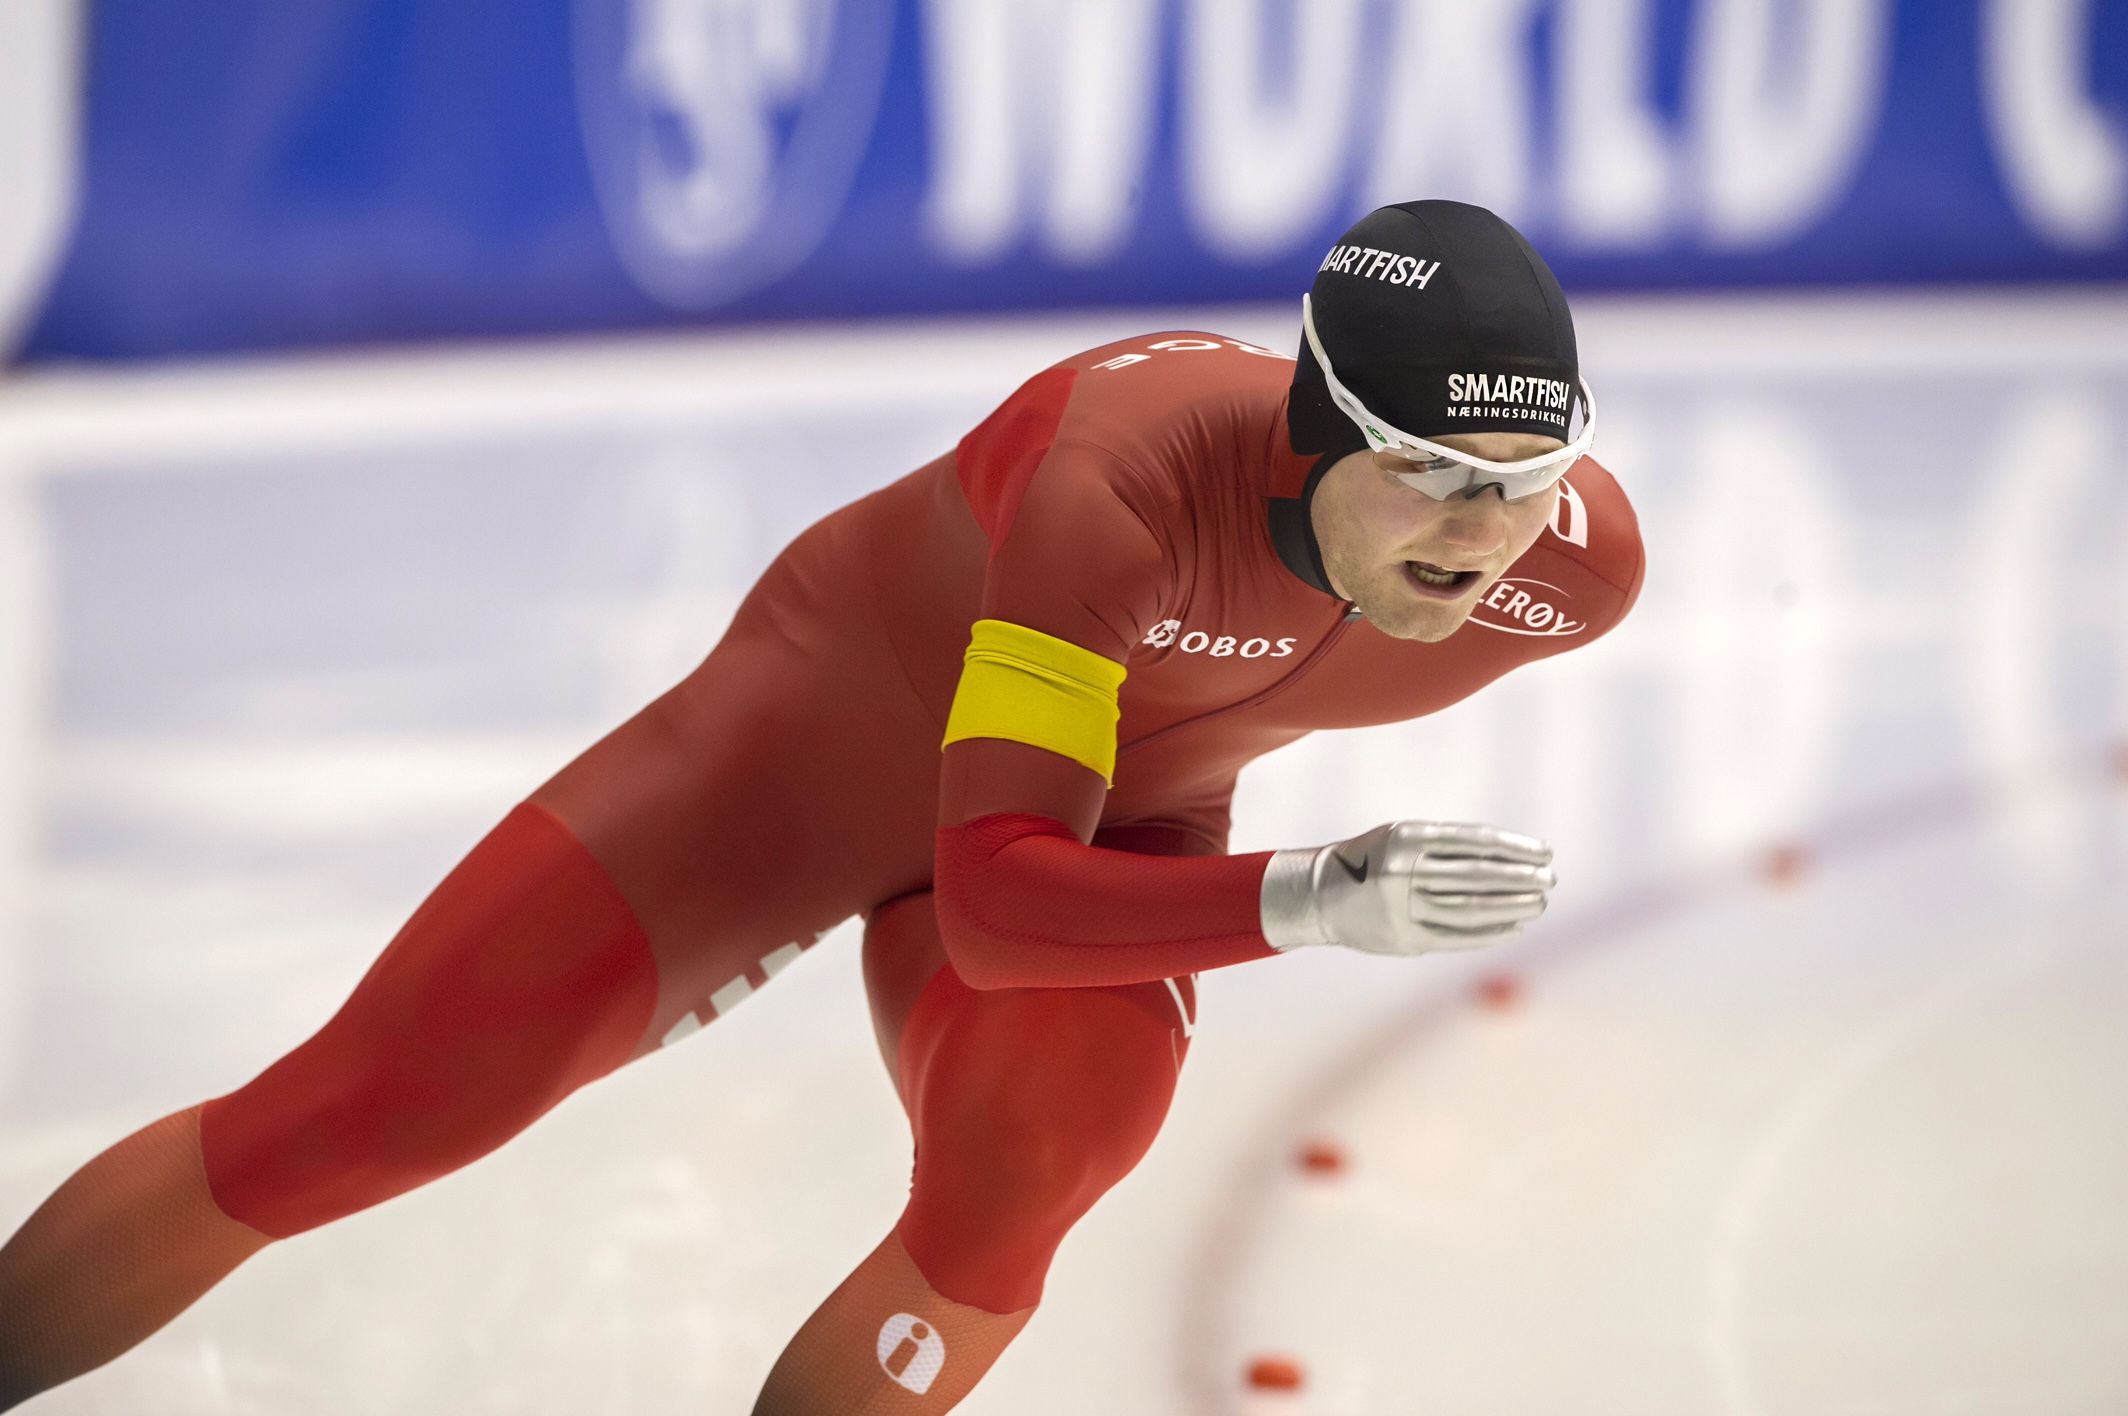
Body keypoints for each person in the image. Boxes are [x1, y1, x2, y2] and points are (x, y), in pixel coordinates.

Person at [0, 199, 1643, 1413]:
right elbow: (996, 903)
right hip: (796, 774)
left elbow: (1038, 885)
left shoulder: (1574, 577)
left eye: (1524, 479)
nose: (1480, 531)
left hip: (1116, 831)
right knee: (355, 1119)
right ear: (1316, 427)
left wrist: (1271, 878)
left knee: (1036, 1167)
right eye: (1432, 470)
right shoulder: (1119, 483)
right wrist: (1314, 897)